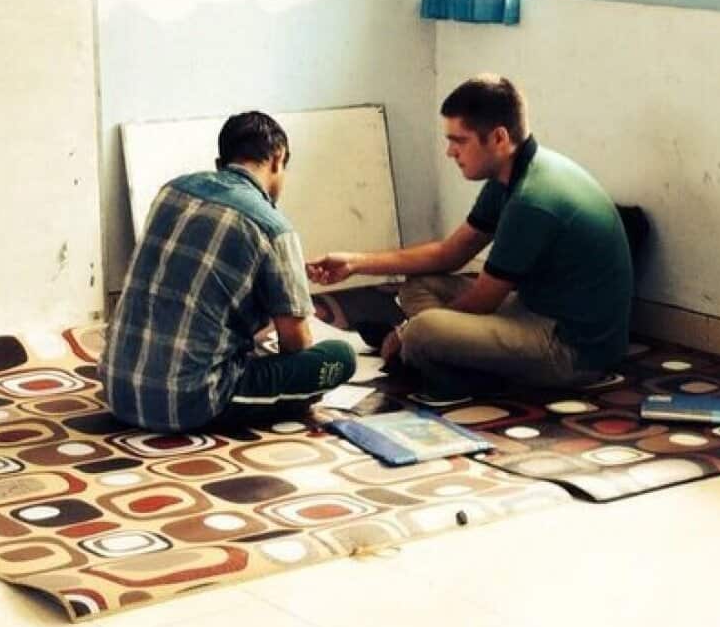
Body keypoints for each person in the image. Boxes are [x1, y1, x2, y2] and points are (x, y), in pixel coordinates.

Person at [307, 75, 632, 400]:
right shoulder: (512, 173)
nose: (450, 152)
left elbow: (482, 301)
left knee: (423, 330)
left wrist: (406, 332)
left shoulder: (532, 200)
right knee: (418, 286)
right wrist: (355, 263)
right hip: (533, 309)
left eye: (459, 140)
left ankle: (459, 372)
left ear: (499, 138)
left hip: (572, 352)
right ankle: (453, 361)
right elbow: (450, 254)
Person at [101, 111, 355, 432]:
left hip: (117, 388)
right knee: (340, 356)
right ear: (277, 158)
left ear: (222, 161)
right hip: (186, 402)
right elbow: (297, 346)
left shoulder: (172, 191)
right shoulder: (274, 228)